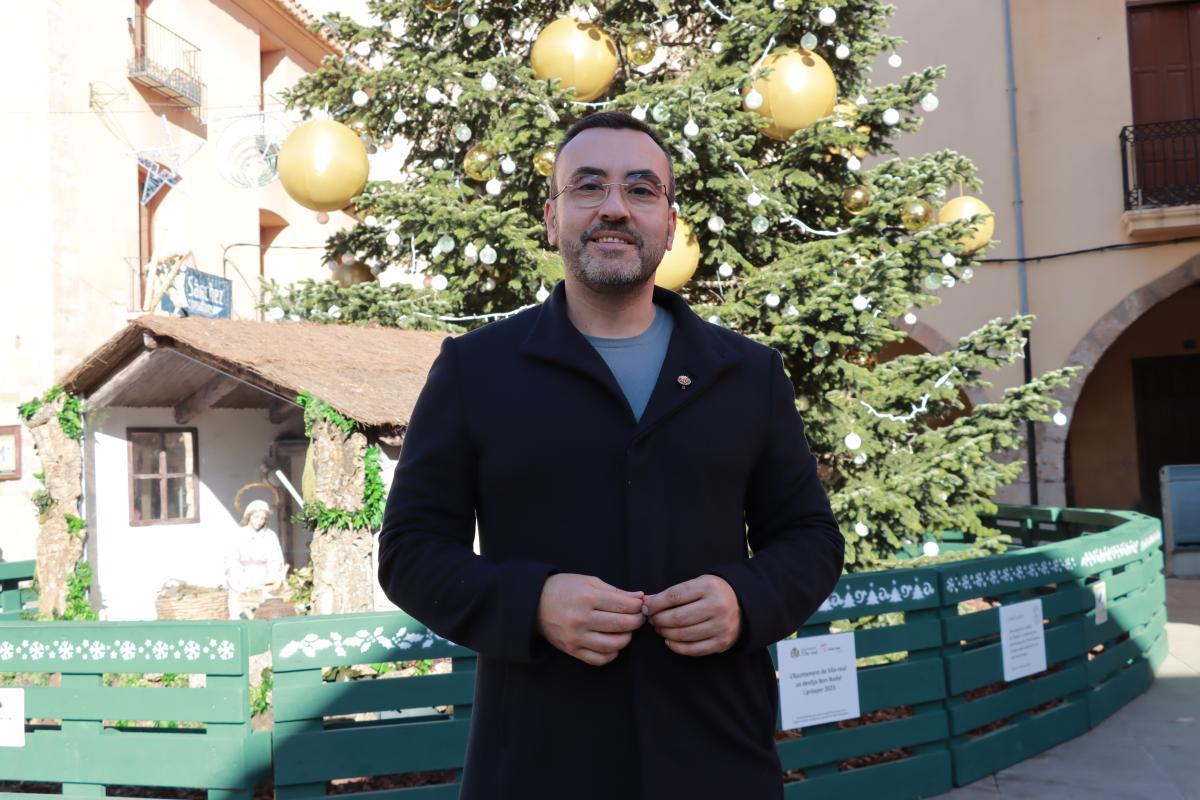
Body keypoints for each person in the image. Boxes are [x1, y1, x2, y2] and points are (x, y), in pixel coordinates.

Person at [378, 111, 844, 799]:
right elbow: (410, 551)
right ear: (552, 216)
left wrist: (745, 598)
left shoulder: (746, 375)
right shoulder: (476, 371)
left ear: (670, 222)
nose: (615, 208)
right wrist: (531, 602)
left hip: (716, 760)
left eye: (642, 189)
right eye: (589, 187)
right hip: (539, 764)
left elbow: (810, 539)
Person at [225, 498, 286, 618]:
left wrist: (271, 579)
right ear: (249, 517)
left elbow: (275, 559)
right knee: (241, 613)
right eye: (256, 517)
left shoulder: (270, 536)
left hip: (264, 579)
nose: (259, 521)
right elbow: (231, 560)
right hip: (243, 578)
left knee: (263, 614)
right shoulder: (238, 535)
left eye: (262, 518)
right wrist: (244, 582)